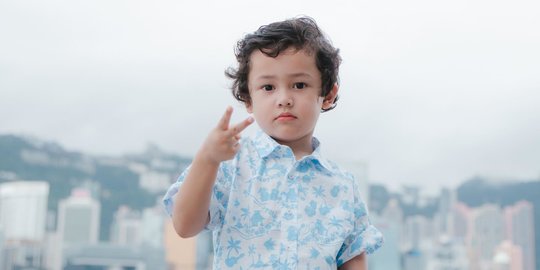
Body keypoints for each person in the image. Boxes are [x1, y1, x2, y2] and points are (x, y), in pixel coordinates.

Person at [163, 16, 383, 269]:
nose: (284, 99)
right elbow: (185, 225)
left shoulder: (343, 185)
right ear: (248, 98)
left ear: (327, 94)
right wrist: (207, 159)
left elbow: (353, 255)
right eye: (268, 87)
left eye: (299, 85)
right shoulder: (230, 166)